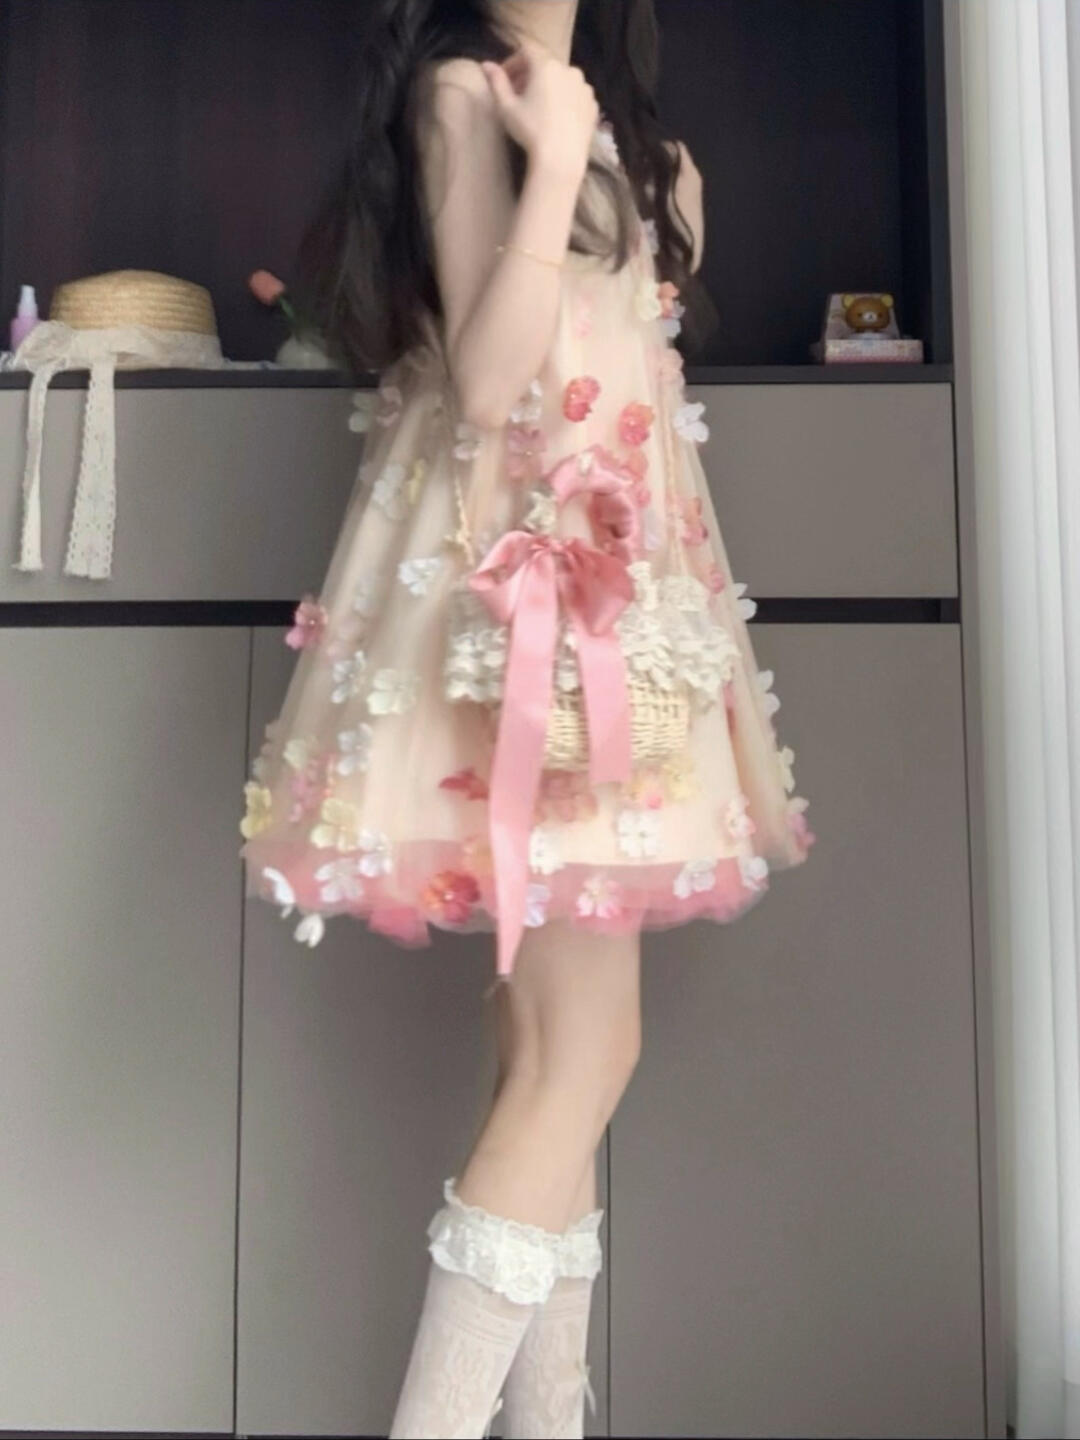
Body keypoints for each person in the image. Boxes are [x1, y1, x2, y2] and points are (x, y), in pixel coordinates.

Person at [237, 0, 815, 1433]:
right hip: (531, 618)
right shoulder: (466, 93)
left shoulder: (604, 122)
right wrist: (556, 162)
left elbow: (619, 372)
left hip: (616, 610)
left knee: (552, 1066)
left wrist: (628, 179)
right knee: (581, 1057)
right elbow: (490, 384)